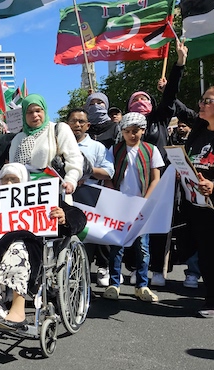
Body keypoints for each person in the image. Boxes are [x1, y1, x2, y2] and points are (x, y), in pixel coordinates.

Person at [0, 163, 86, 329]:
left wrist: (64, 217)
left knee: (17, 246)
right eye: (4, 180)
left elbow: (79, 216)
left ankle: (18, 312)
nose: (9, 184)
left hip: (27, 248)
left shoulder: (42, 196)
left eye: (14, 179)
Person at [125, 42, 188, 286]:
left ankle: (158, 270)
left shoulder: (159, 119)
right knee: (134, 223)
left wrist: (179, 64)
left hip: (161, 181)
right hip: (133, 182)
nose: (141, 100)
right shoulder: (126, 128)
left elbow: (171, 93)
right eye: (136, 99)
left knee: (160, 224)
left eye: (145, 98)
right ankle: (133, 266)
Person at [180, 83, 214, 318]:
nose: (202, 104)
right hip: (201, 204)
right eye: (201, 100)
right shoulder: (198, 131)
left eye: (208, 101)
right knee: (208, 256)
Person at [102, 112, 164, 302]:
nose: (132, 135)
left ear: (143, 131)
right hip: (120, 205)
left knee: (142, 247)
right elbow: (109, 177)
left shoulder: (151, 150)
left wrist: (144, 202)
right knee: (117, 246)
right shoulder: (114, 150)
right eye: (127, 131)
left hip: (141, 206)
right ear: (122, 131)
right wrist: (115, 197)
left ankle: (142, 285)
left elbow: (156, 179)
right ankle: (114, 283)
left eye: (135, 131)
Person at [67, 108, 116, 287]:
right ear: (67, 124)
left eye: (81, 122)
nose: (77, 125)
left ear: (88, 125)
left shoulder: (97, 147)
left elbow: (109, 172)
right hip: (65, 198)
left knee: (87, 240)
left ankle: (87, 280)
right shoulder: (58, 145)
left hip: (89, 199)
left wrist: (88, 172)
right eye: (73, 121)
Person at [9, 94, 84, 195]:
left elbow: (75, 159)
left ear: (44, 110)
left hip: (54, 194)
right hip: (24, 197)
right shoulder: (17, 139)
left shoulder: (59, 129)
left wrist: (70, 181)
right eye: (29, 112)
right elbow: (12, 169)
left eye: (38, 111)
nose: (34, 115)